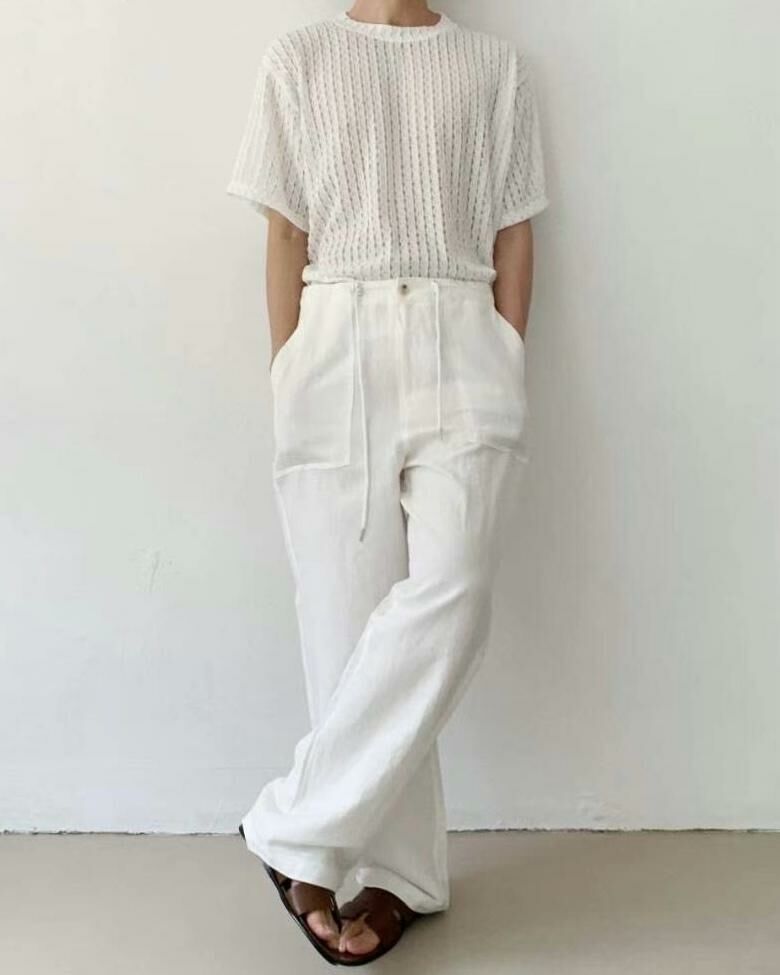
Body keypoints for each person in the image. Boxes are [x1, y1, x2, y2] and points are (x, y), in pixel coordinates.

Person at [226, 0, 549, 964]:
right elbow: (286, 230)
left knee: (456, 590)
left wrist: (505, 352)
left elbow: (514, 230)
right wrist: (290, 370)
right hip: (337, 338)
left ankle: (290, 829)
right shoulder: (299, 58)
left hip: (461, 335)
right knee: (345, 626)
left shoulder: (494, 66)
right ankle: (402, 875)